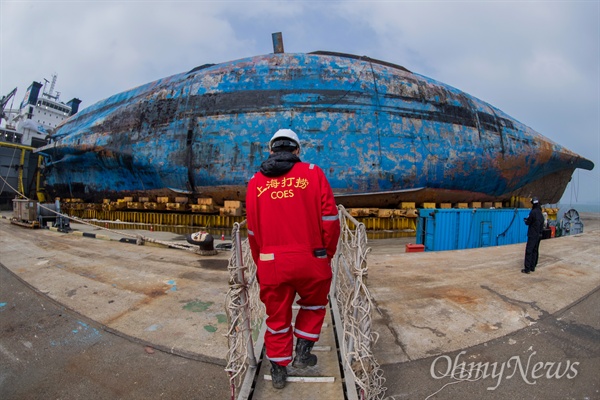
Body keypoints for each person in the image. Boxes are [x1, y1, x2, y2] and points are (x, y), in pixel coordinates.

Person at [245, 128, 340, 389]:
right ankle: (303, 352)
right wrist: (326, 254)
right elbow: (330, 220)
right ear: (297, 150)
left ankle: (278, 370)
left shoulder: (255, 182)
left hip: (272, 263)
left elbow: (252, 229)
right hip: (312, 258)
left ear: (271, 150)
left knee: (277, 317)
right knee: (314, 305)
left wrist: (260, 261)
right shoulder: (313, 173)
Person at [522, 197, 544, 274]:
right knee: (535, 250)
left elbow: (528, 222)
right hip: (539, 235)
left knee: (529, 250)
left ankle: (527, 269)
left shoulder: (533, 212)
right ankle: (532, 267)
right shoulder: (540, 213)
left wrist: (526, 220)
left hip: (532, 234)